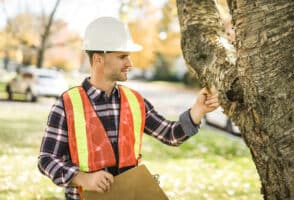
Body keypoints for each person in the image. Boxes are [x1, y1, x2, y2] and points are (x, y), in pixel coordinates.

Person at [38, 16, 220, 200]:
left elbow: (170, 135)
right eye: (122, 56)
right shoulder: (67, 104)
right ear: (98, 59)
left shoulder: (135, 101)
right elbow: (46, 160)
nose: (130, 63)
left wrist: (198, 111)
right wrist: (82, 178)